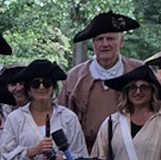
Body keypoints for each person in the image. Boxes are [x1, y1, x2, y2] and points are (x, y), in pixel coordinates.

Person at [59, 11, 145, 151]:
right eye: (100, 39)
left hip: (133, 150)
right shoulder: (74, 77)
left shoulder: (138, 71)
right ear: (93, 44)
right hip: (86, 152)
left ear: (121, 42)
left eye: (110, 39)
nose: (105, 44)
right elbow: (60, 117)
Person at [1, 60, 88, 160]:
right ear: (28, 89)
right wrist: (33, 151)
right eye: (36, 83)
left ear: (53, 87)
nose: (41, 87)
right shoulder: (15, 119)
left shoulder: (68, 118)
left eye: (46, 82)